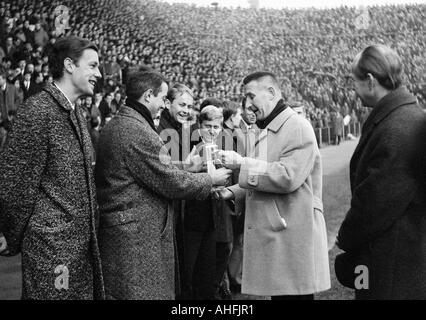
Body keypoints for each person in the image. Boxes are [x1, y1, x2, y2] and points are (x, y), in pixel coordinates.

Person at [95, 71, 231, 300]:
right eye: (164, 98)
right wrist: (211, 179)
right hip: (137, 237)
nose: (164, 105)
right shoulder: (136, 130)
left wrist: (190, 168)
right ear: (149, 96)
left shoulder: (128, 124)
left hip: (138, 234)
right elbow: (169, 181)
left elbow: (159, 172)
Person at [0, 36, 105, 299]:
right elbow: (14, 185)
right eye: (92, 66)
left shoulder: (76, 113)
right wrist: (16, 235)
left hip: (77, 249)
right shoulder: (37, 112)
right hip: (51, 252)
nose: (98, 73)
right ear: (69, 65)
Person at [217, 71, 330, 299]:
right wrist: (231, 192)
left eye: (251, 96)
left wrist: (241, 163)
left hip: (292, 238)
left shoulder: (297, 126)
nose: (248, 104)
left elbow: (287, 176)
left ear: (271, 93)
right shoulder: (270, 128)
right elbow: (264, 176)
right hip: (282, 237)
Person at [336, 45, 426, 300]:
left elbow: (374, 202)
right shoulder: (401, 116)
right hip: (395, 259)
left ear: (370, 81)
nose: (353, 89)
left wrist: (344, 238)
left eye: (354, 81)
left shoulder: (399, 126)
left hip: (394, 266)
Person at [0, 69, 20, 151]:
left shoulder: (12, 88)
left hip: (11, 117)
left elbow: (18, 100)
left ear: (4, 79)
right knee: (2, 135)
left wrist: (13, 110)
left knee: (10, 137)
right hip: (1, 118)